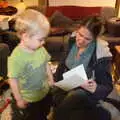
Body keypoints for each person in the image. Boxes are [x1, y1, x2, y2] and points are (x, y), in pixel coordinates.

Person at [52, 16, 113, 120]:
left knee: (75, 96)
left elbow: (107, 87)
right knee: (57, 99)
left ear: (95, 38)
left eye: (87, 39)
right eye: (80, 34)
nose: (81, 40)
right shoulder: (72, 42)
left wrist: (95, 88)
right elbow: (62, 66)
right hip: (67, 86)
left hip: (85, 93)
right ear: (77, 29)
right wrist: (55, 82)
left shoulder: (100, 54)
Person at [8, 9, 54, 120]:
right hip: (28, 98)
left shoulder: (40, 48)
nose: (43, 42)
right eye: (40, 39)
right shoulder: (16, 57)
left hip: (43, 92)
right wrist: (19, 99)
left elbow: (46, 63)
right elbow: (12, 79)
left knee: (43, 113)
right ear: (25, 36)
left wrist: (50, 78)